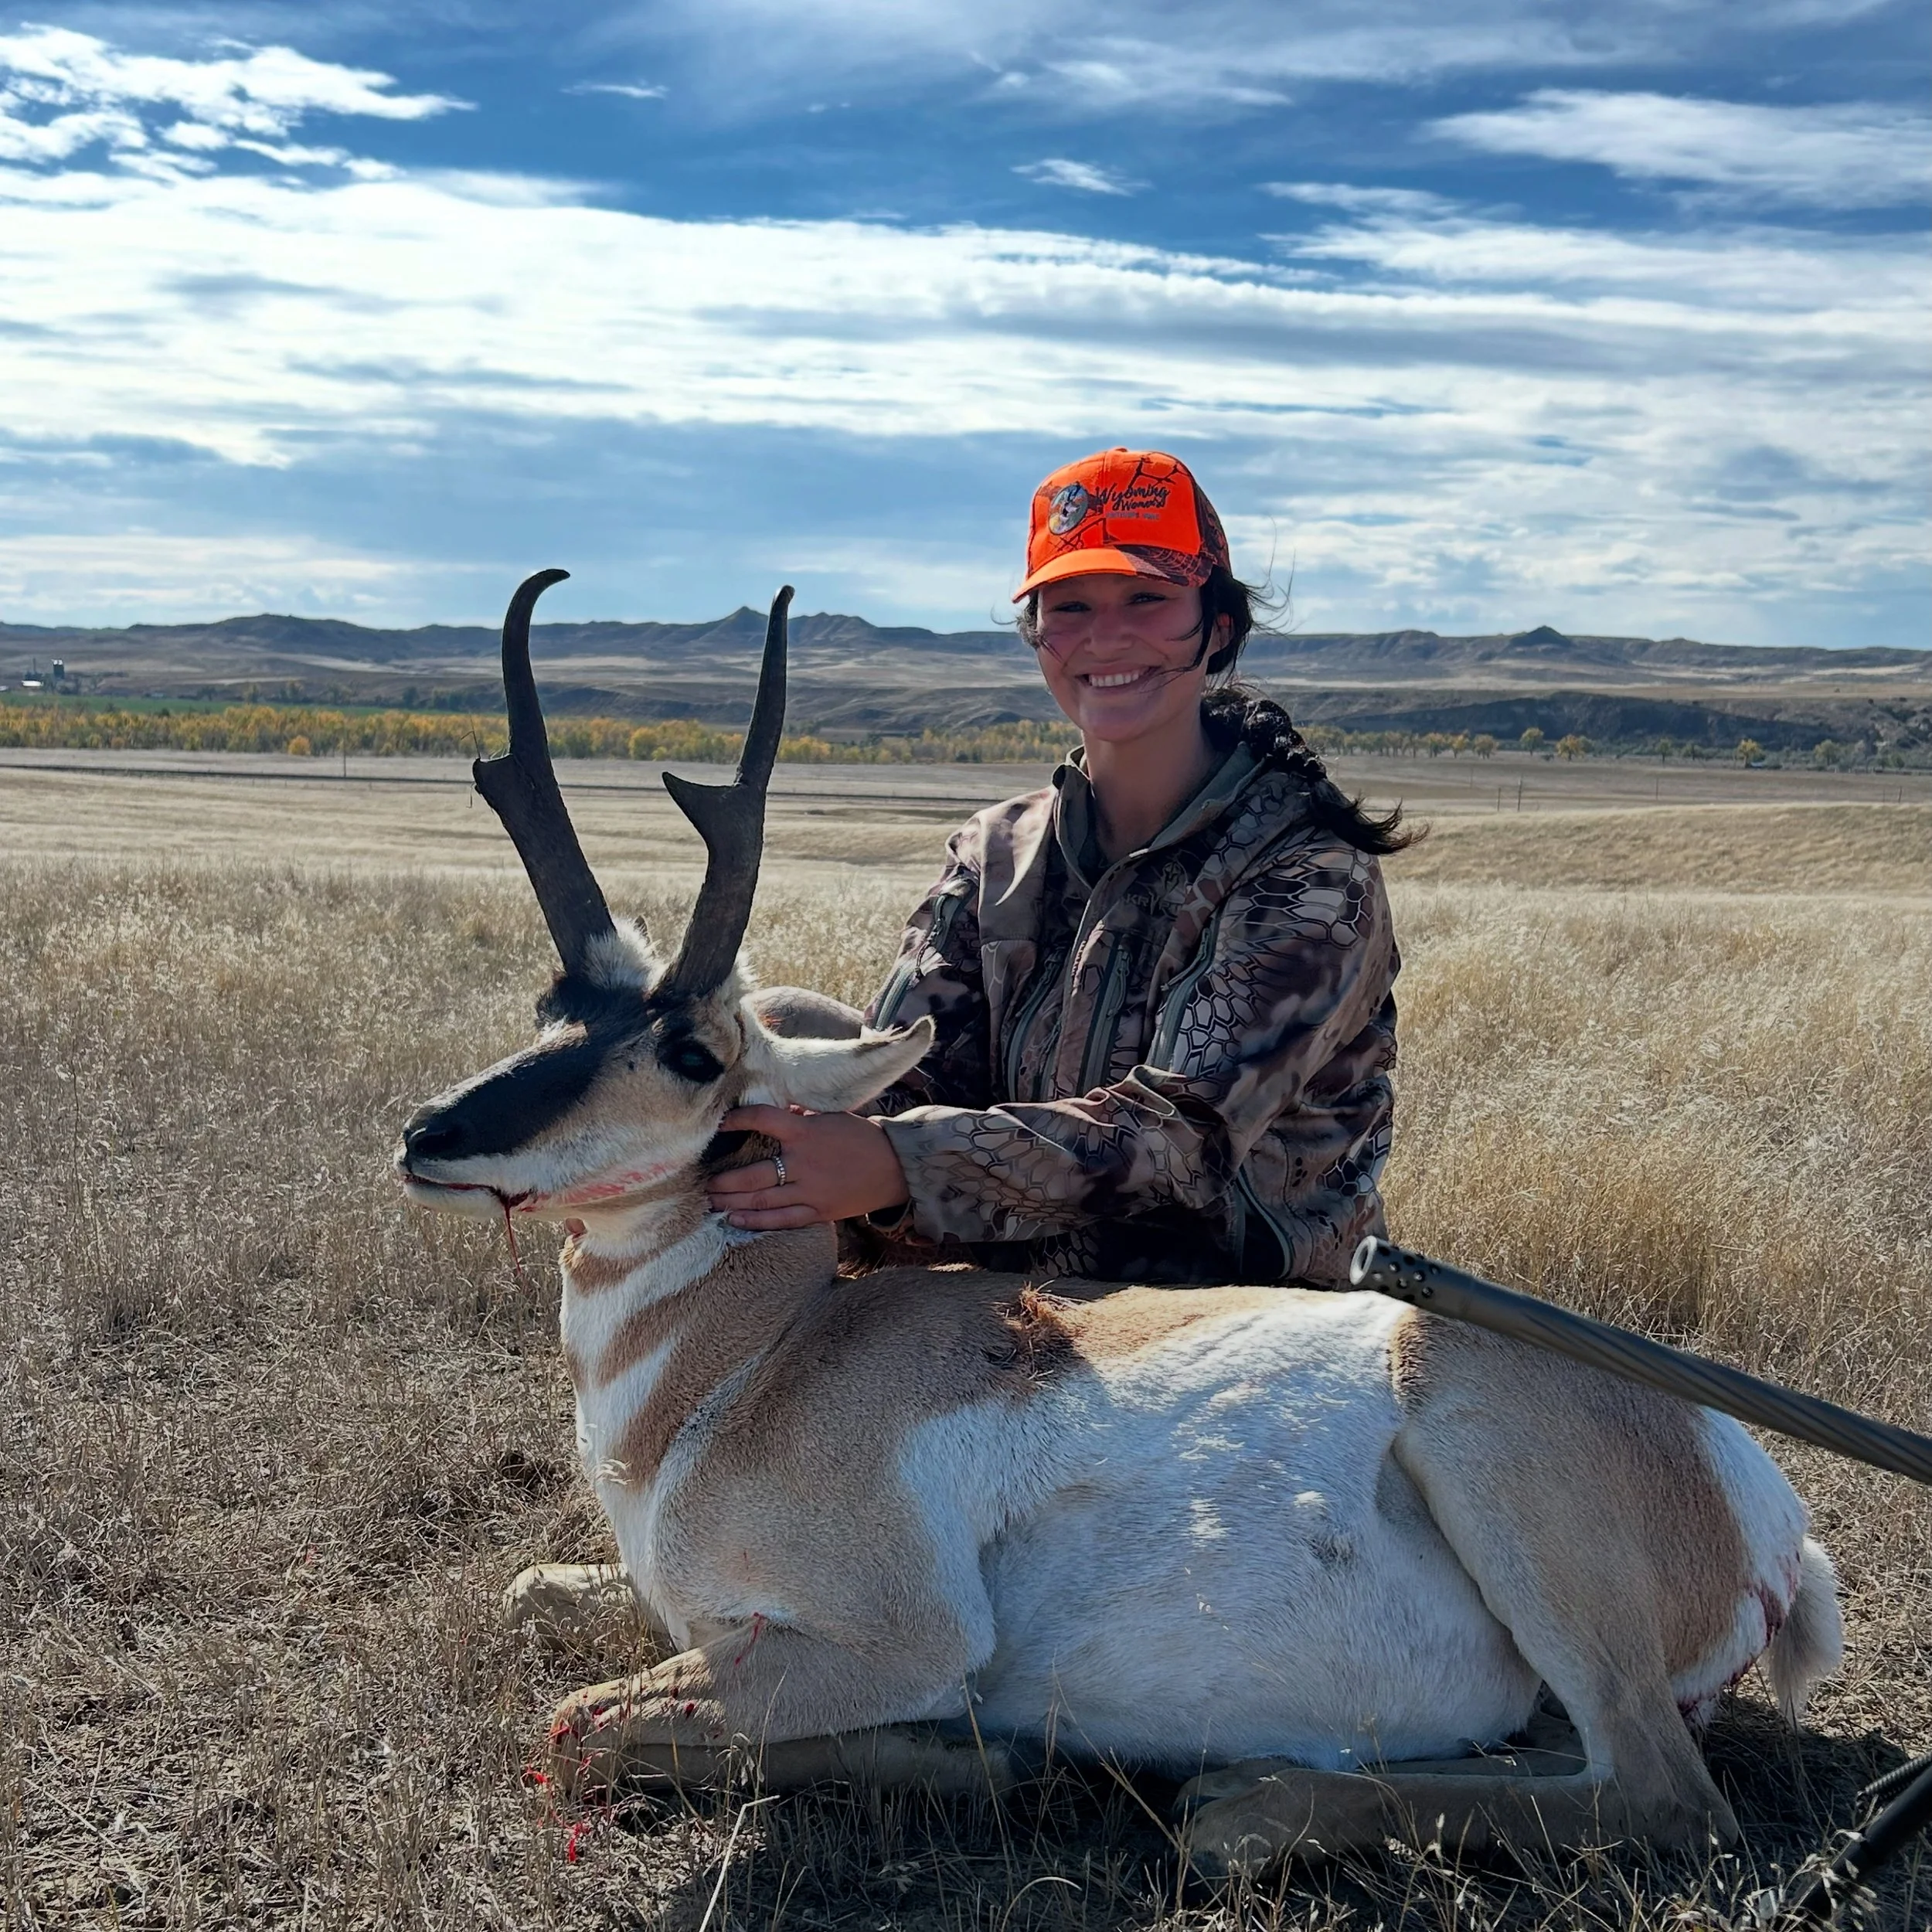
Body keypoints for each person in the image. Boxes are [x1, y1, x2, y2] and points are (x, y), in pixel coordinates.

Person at [707, 448, 1410, 1287]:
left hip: (1238, 1330)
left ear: (1217, 626)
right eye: (1069, 605)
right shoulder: (995, 854)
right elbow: (905, 1064)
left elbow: (1178, 1140)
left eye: (1146, 598)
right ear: (1037, 634)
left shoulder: (1311, 875)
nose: (1104, 637)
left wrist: (898, 1164)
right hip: (1005, 1308)